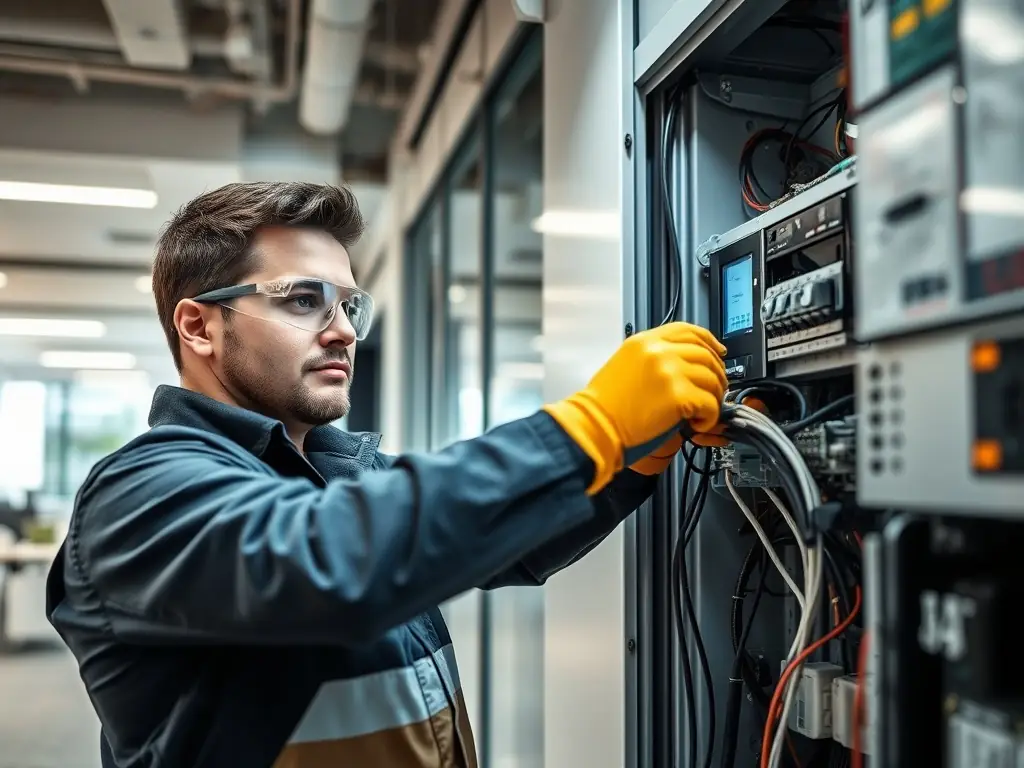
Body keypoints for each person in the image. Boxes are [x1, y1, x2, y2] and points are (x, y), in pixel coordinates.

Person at [45, 181, 728, 768]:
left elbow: (502, 538)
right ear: (199, 327)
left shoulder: (333, 472)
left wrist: (631, 462)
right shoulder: (140, 491)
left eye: (346, 304)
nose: (343, 330)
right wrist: (590, 428)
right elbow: (333, 560)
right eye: (302, 300)